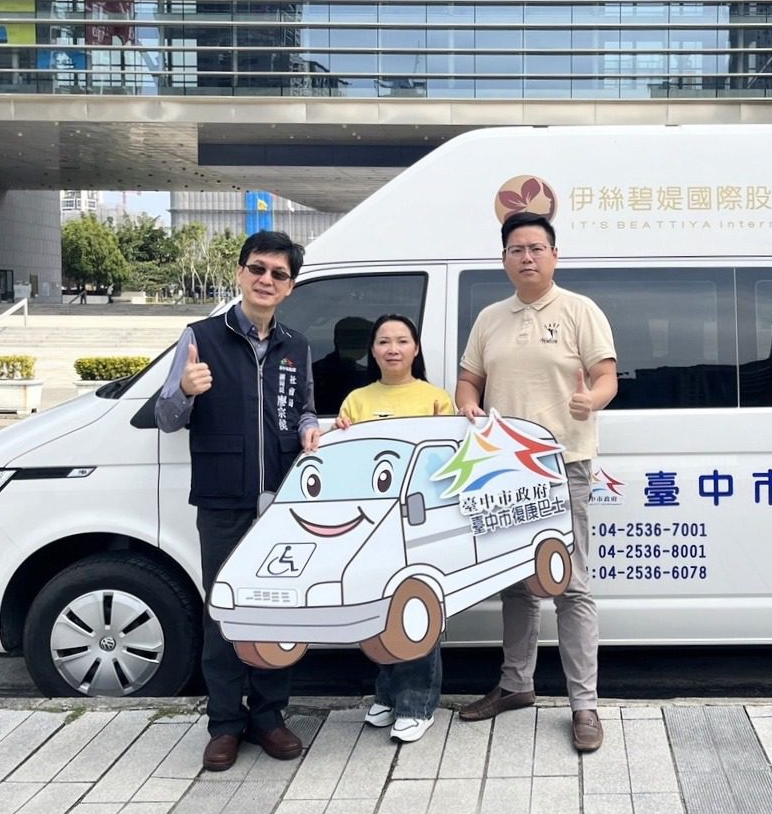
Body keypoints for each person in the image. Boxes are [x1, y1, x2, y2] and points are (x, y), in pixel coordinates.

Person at [154, 230, 320, 772]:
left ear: (290, 287)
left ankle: (269, 717)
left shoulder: (296, 346)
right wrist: (185, 390)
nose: (266, 280)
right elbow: (165, 418)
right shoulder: (200, 337)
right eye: (258, 269)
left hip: (281, 507)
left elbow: (303, 408)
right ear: (240, 273)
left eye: (279, 274)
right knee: (223, 611)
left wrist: (309, 427)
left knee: (276, 613)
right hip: (223, 501)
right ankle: (225, 724)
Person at [454, 211, 618, 753]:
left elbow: (606, 377)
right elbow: (468, 381)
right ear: (503, 259)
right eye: (516, 249)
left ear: (554, 255)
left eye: (536, 248)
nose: (526, 257)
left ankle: (584, 705)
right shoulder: (490, 318)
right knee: (517, 584)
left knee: (571, 586)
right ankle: (515, 685)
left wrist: (591, 399)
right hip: (505, 468)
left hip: (562, 463)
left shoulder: (579, 310)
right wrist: (469, 406)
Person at [333, 313, 455, 743]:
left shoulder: (436, 398)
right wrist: (338, 434)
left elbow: (448, 465)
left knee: (415, 609)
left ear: (416, 349)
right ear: (373, 350)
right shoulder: (356, 401)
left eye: (402, 341)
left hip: (420, 521)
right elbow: (345, 466)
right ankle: (387, 694)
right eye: (384, 341)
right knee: (379, 611)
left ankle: (417, 704)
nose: (393, 349)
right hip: (371, 526)